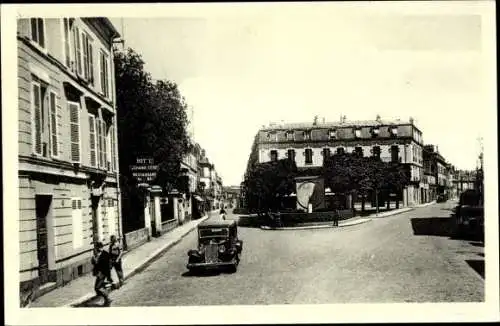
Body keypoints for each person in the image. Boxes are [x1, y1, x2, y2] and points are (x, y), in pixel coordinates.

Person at [91, 241, 112, 306]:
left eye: (97, 247)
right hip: (99, 274)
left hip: (103, 274)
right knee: (97, 288)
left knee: (97, 288)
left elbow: (108, 266)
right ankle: (105, 299)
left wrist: (108, 276)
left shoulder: (105, 254)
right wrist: (94, 260)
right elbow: (95, 264)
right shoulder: (97, 254)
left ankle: (107, 298)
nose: (96, 249)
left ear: (99, 247)